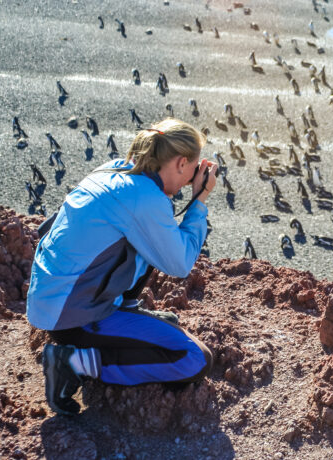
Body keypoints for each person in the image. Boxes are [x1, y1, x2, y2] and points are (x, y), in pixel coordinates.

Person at [26, 118, 218, 415]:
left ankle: (123, 310)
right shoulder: (145, 199)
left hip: (52, 299)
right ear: (181, 163)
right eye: (194, 169)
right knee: (194, 359)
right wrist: (200, 200)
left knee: (151, 236)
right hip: (72, 319)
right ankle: (73, 362)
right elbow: (179, 263)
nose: (193, 177)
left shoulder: (116, 168)